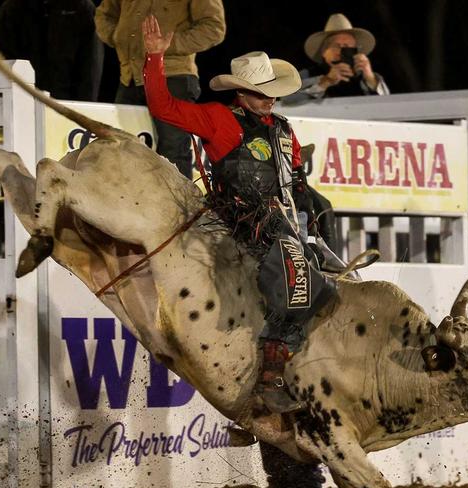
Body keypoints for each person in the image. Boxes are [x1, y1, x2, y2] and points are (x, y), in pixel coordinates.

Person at [142, 15, 336, 414]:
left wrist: (308, 194)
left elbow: (294, 175)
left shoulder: (282, 128)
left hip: (279, 219)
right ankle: (271, 375)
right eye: (262, 94)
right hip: (241, 217)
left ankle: (327, 294)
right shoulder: (219, 118)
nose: (271, 100)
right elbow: (163, 107)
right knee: (291, 269)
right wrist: (154, 59)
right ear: (242, 93)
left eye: (272, 94)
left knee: (319, 249)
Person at [95, 0, 226, 179]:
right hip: (130, 78)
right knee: (122, 151)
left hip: (173, 76)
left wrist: (166, 45)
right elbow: (103, 14)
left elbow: (214, 28)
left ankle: (178, 207)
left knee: (173, 154)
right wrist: (117, 37)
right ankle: (131, 205)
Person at [0, 0, 104, 102]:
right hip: (23, 106)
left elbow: (90, 72)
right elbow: (4, 65)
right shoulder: (12, 9)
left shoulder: (83, 9)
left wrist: (83, 113)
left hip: (68, 108)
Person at [282, 13, 389, 104]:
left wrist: (370, 78)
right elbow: (286, 99)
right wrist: (325, 81)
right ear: (324, 52)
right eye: (337, 46)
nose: (342, 50)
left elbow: (388, 105)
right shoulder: (307, 74)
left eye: (348, 47)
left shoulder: (367, 78)